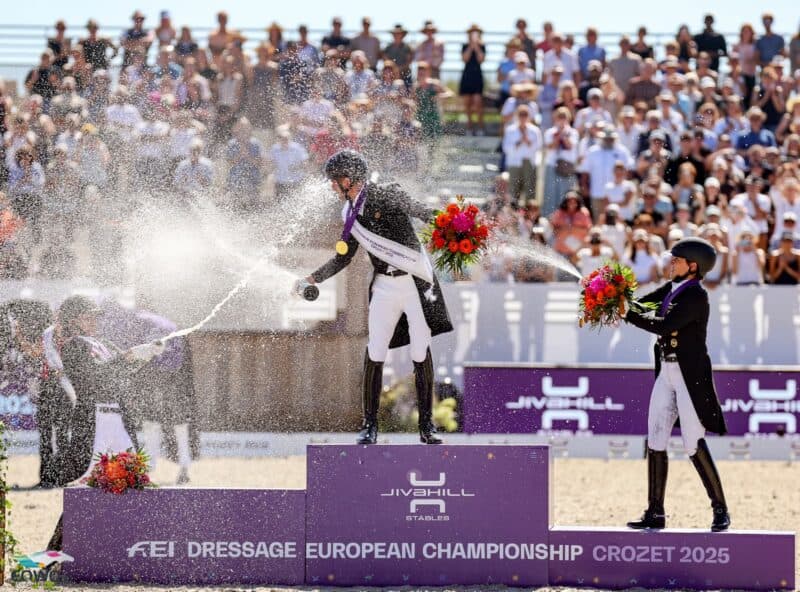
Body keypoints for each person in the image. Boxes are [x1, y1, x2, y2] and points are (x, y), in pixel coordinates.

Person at [296, 150, 452, 444]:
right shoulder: (349, 214)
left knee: (420, 351)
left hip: (414, 283)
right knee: (375, 351)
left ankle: (427, 425)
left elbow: (420, 210)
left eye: (334, 181)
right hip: (384, 286)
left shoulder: (386, 194)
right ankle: (369, 426)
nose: (331, 187)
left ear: (348, 180)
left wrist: (454, 224)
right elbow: (343, 259)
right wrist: (312, 278)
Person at [623, 237, 730, 532]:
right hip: (666, 373)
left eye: (677, 260)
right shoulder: (671, 289)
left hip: (688, 376)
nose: (671, 263)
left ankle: (720, 509)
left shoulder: (696, 296)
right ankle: (655, 512)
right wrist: (614, 296)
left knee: (692, 442)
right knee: (655, 439)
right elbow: (642, 304)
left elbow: (664, 325)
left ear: (692, 267)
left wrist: (627, 314)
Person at [460, 25, 486, 135]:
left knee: (478, 102)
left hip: (477, 76)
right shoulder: (465, 46)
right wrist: (471, 46)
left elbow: (481, 59)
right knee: (467, 103)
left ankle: (480, 127)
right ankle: (469, 127)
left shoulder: (482, 46)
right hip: (467, 76)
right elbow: (465, 59)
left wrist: (477, 46)